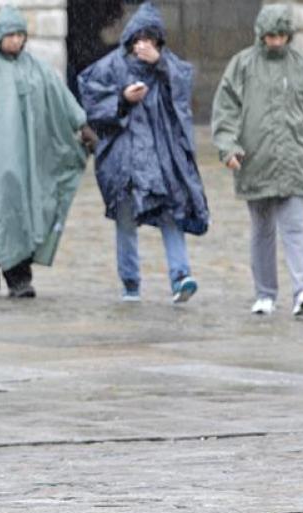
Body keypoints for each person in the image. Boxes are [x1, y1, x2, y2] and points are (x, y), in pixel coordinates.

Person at [0, 5, 94, 298]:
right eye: (10, 35)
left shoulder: (38, 69)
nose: (15, 41)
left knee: (24, 215)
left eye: (20, 35)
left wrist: (83, 127)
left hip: (30, 157)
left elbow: (61, 99)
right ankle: (15, 277)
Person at [78, 1, 209, 303]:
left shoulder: (168, 66)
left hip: (161, 159)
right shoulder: (112, 66)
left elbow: (182, 87)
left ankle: (181, 276)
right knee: (125, 222)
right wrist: (122, 99)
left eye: (150, 40)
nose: (144, 46)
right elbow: (90, 95)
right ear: (130, 40)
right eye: (139, 39)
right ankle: (130, 283)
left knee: (171, 215)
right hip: (123, 159)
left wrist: (160, 63)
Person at [212, 4, 303, 317]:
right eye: (271, 36)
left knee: (294, 227)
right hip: (256, 161)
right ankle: (265, 293)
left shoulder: (300, 65)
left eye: (281, 35)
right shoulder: (242, 65)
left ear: (288, 35)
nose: (276, 41)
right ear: (261, 35)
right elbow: (225, 111)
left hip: (295, 159)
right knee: (262, 230)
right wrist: (228, 148)